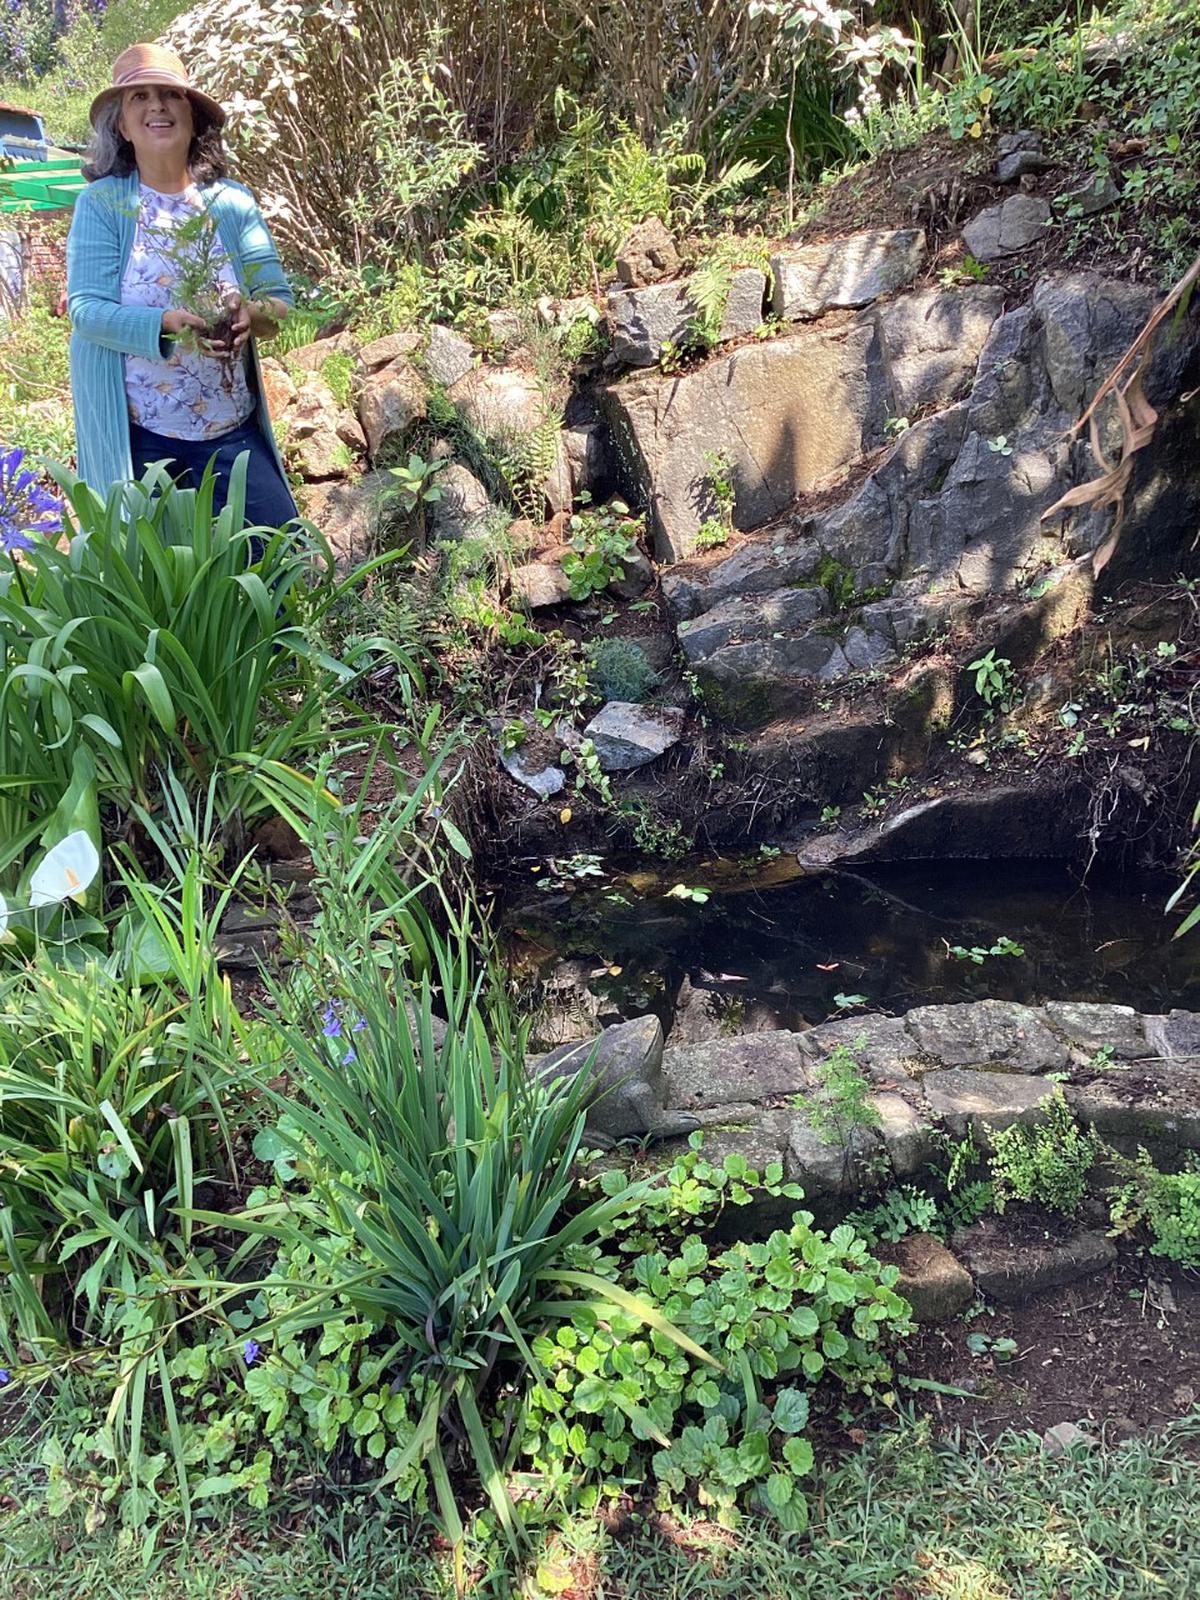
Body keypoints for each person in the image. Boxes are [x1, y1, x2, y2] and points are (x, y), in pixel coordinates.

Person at [66, 43, 298, 531]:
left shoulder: (231, 202)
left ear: (193, 117)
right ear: (122, 127)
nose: (157, 106)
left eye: (171, 94)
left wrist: (250, 316)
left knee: (282, 560)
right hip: (145, 437)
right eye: (140, 97)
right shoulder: (103, 204)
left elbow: (280, 300)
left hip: (231, 427)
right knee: (176, 591)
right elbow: (85, 311)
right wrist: (163, 324)